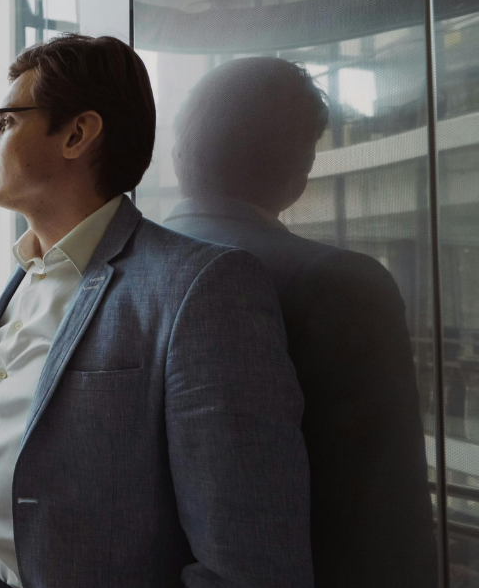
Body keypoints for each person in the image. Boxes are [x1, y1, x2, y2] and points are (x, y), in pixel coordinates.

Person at [0, 34, 313, 587]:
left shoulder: (202, 290)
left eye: (4, 123)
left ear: (77, 133)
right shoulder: (29, 272)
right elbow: (56, 417)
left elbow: (249, 561)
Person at [162, 56, 438, 588]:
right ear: (301, 168)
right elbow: (385, 506)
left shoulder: (115, 272)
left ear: (179, 153)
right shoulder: (342, 285)